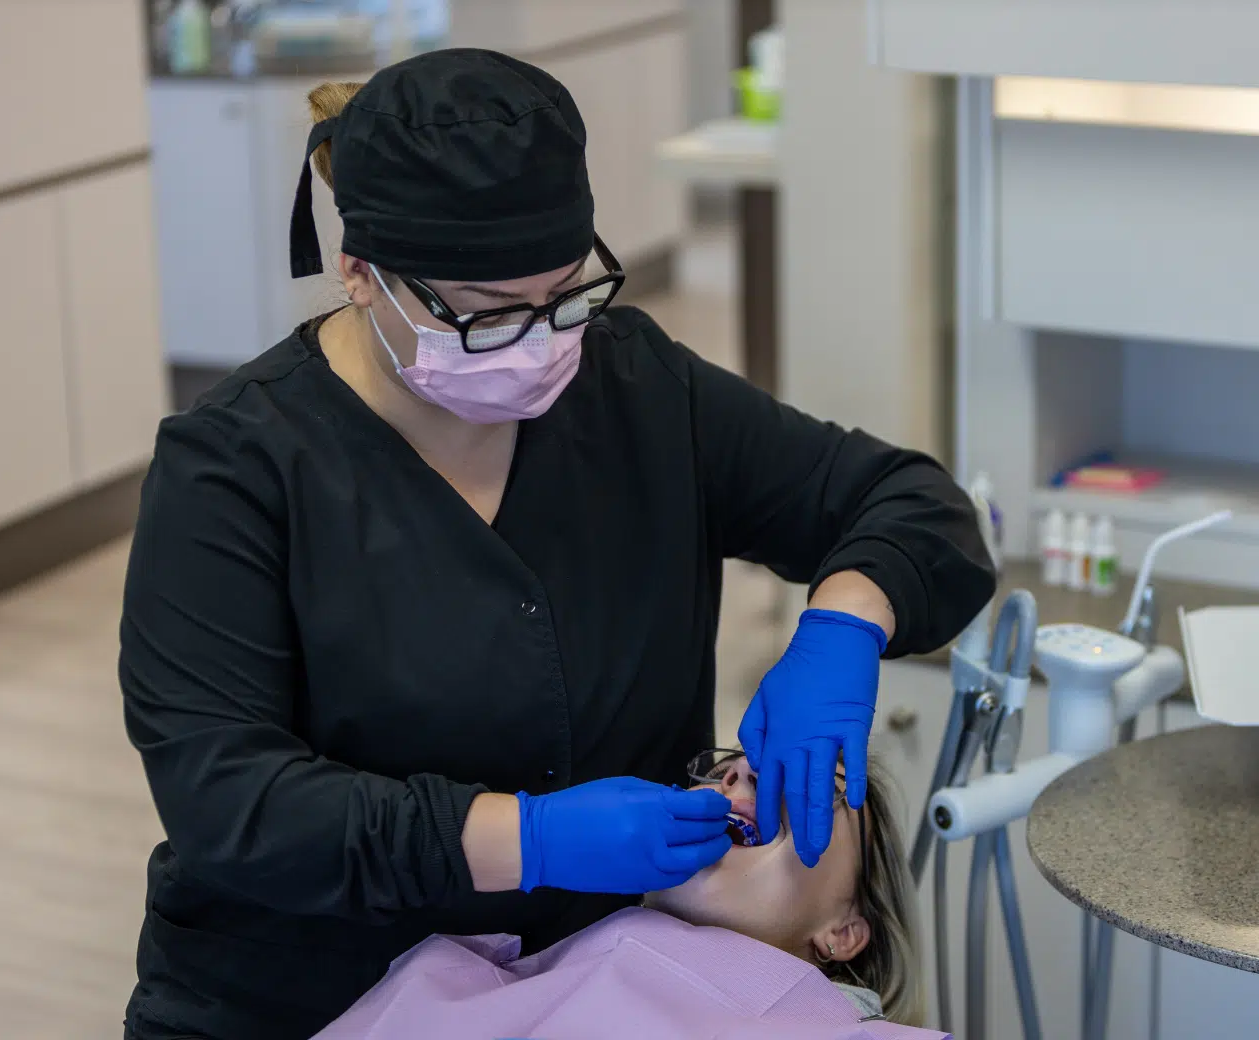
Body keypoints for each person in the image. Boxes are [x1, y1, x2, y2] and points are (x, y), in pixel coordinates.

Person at [119, 48, 994, 1040]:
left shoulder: (637, 390)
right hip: (298, 999)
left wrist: (843, 625)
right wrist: (527, 836)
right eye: (488, 315)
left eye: (566, 295)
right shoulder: (233, 473)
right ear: (360, 273)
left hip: (594, 980)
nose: (539, 342)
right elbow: (234, 807)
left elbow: (914, 504)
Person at [311, 751, 935, 1038]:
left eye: (814, 790)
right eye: (732, 767)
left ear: (844, 932)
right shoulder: (472, 983)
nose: (743, 772)